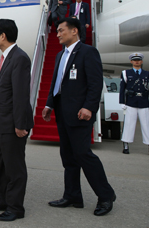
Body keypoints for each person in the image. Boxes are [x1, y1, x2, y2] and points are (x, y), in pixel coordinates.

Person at [42, 17, 116, 217]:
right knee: (68, 157)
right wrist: (49, 104)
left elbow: (95, 83)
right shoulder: (59, 55)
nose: (57, 34)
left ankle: (106, 195)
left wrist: (89, 107)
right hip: (63, 113)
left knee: (84, 155)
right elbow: (56, 83)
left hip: (80, 115)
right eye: (57, 31)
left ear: (75, 31)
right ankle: (73, 195)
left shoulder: (88, 52)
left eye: (61, 30)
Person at [0, 19, 33, 222]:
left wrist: (20, 125)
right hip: (2, 124)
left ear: (3, 35)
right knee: (2, 164)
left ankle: (15, 208)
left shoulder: (19, 58)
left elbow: (21, 95)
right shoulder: (7, 57)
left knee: (14, 168)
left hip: (13, 125)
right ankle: (4, 199)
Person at [119, 53, 149, 155]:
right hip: (131, 102)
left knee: (147, 125)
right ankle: (126, 145)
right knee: (129, 124)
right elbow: (122, 89)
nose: (137, 61)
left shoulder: (147, 74)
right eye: (135, 60)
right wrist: (122, 102)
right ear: (131, 61)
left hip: (144, 102)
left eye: (139, 60)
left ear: (141, 61)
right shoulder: (125, 73)